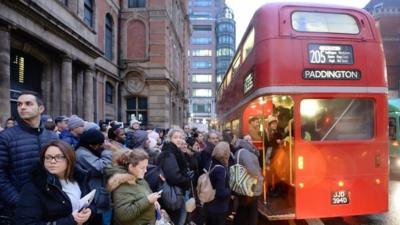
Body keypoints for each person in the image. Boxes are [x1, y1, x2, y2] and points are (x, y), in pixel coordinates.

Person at [0, 90, 58, 223]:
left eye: (28, 103)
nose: (22, 107)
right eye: (19, 104)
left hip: (49, 204)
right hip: (18, 209)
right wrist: (19, 200)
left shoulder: (52, 137)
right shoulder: (6, 137)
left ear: (41, 108)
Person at [14, 140, 92, 225]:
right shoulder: (32, 188)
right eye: (48, 157)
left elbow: (91, 202)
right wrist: (70, 221)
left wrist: (89, 212)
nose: (52, 161)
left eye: (58, 157)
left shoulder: (80, 178)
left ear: (69, 159)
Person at [105, 149, 161, 225]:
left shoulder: (138, 178)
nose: (145, 170)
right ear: (131, 167)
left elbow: (145, 194)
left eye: (146, 167)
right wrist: (148, 201)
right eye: (142, 168)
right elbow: (124, 215)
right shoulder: (121, 185)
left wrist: (154, 201)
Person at [75, 129, 113, 225]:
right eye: (99, 144)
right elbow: (102, 167)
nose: (100, 147)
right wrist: (107, 151)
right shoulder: (81, 153)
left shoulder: (88, 151)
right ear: (91, 144)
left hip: (97, 192)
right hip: (93, 194)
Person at [156, 129, 190, 225]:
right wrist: (187, 179)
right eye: (175, 137)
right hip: (173, 193)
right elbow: (173, 177)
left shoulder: (176, 151)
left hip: (176, 191)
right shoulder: (169, 153)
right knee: (177, 219)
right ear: (169, 139)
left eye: (181, 137)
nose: (179, 140)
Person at [233, 139, 263, 225]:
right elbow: (252, 169)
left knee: (242, 208)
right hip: (250, 186)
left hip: (242, 186)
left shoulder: (238, 151)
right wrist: (260, 177)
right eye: (248, 139)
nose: (251, 141)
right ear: (245, 142)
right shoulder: (245, 152)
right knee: (252, 210)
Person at [205, 142, 231, 225]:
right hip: (218, 208)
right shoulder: (221, 169)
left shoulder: (210, 163)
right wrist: (230, 190)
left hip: (208, 205)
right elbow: (221, 192)